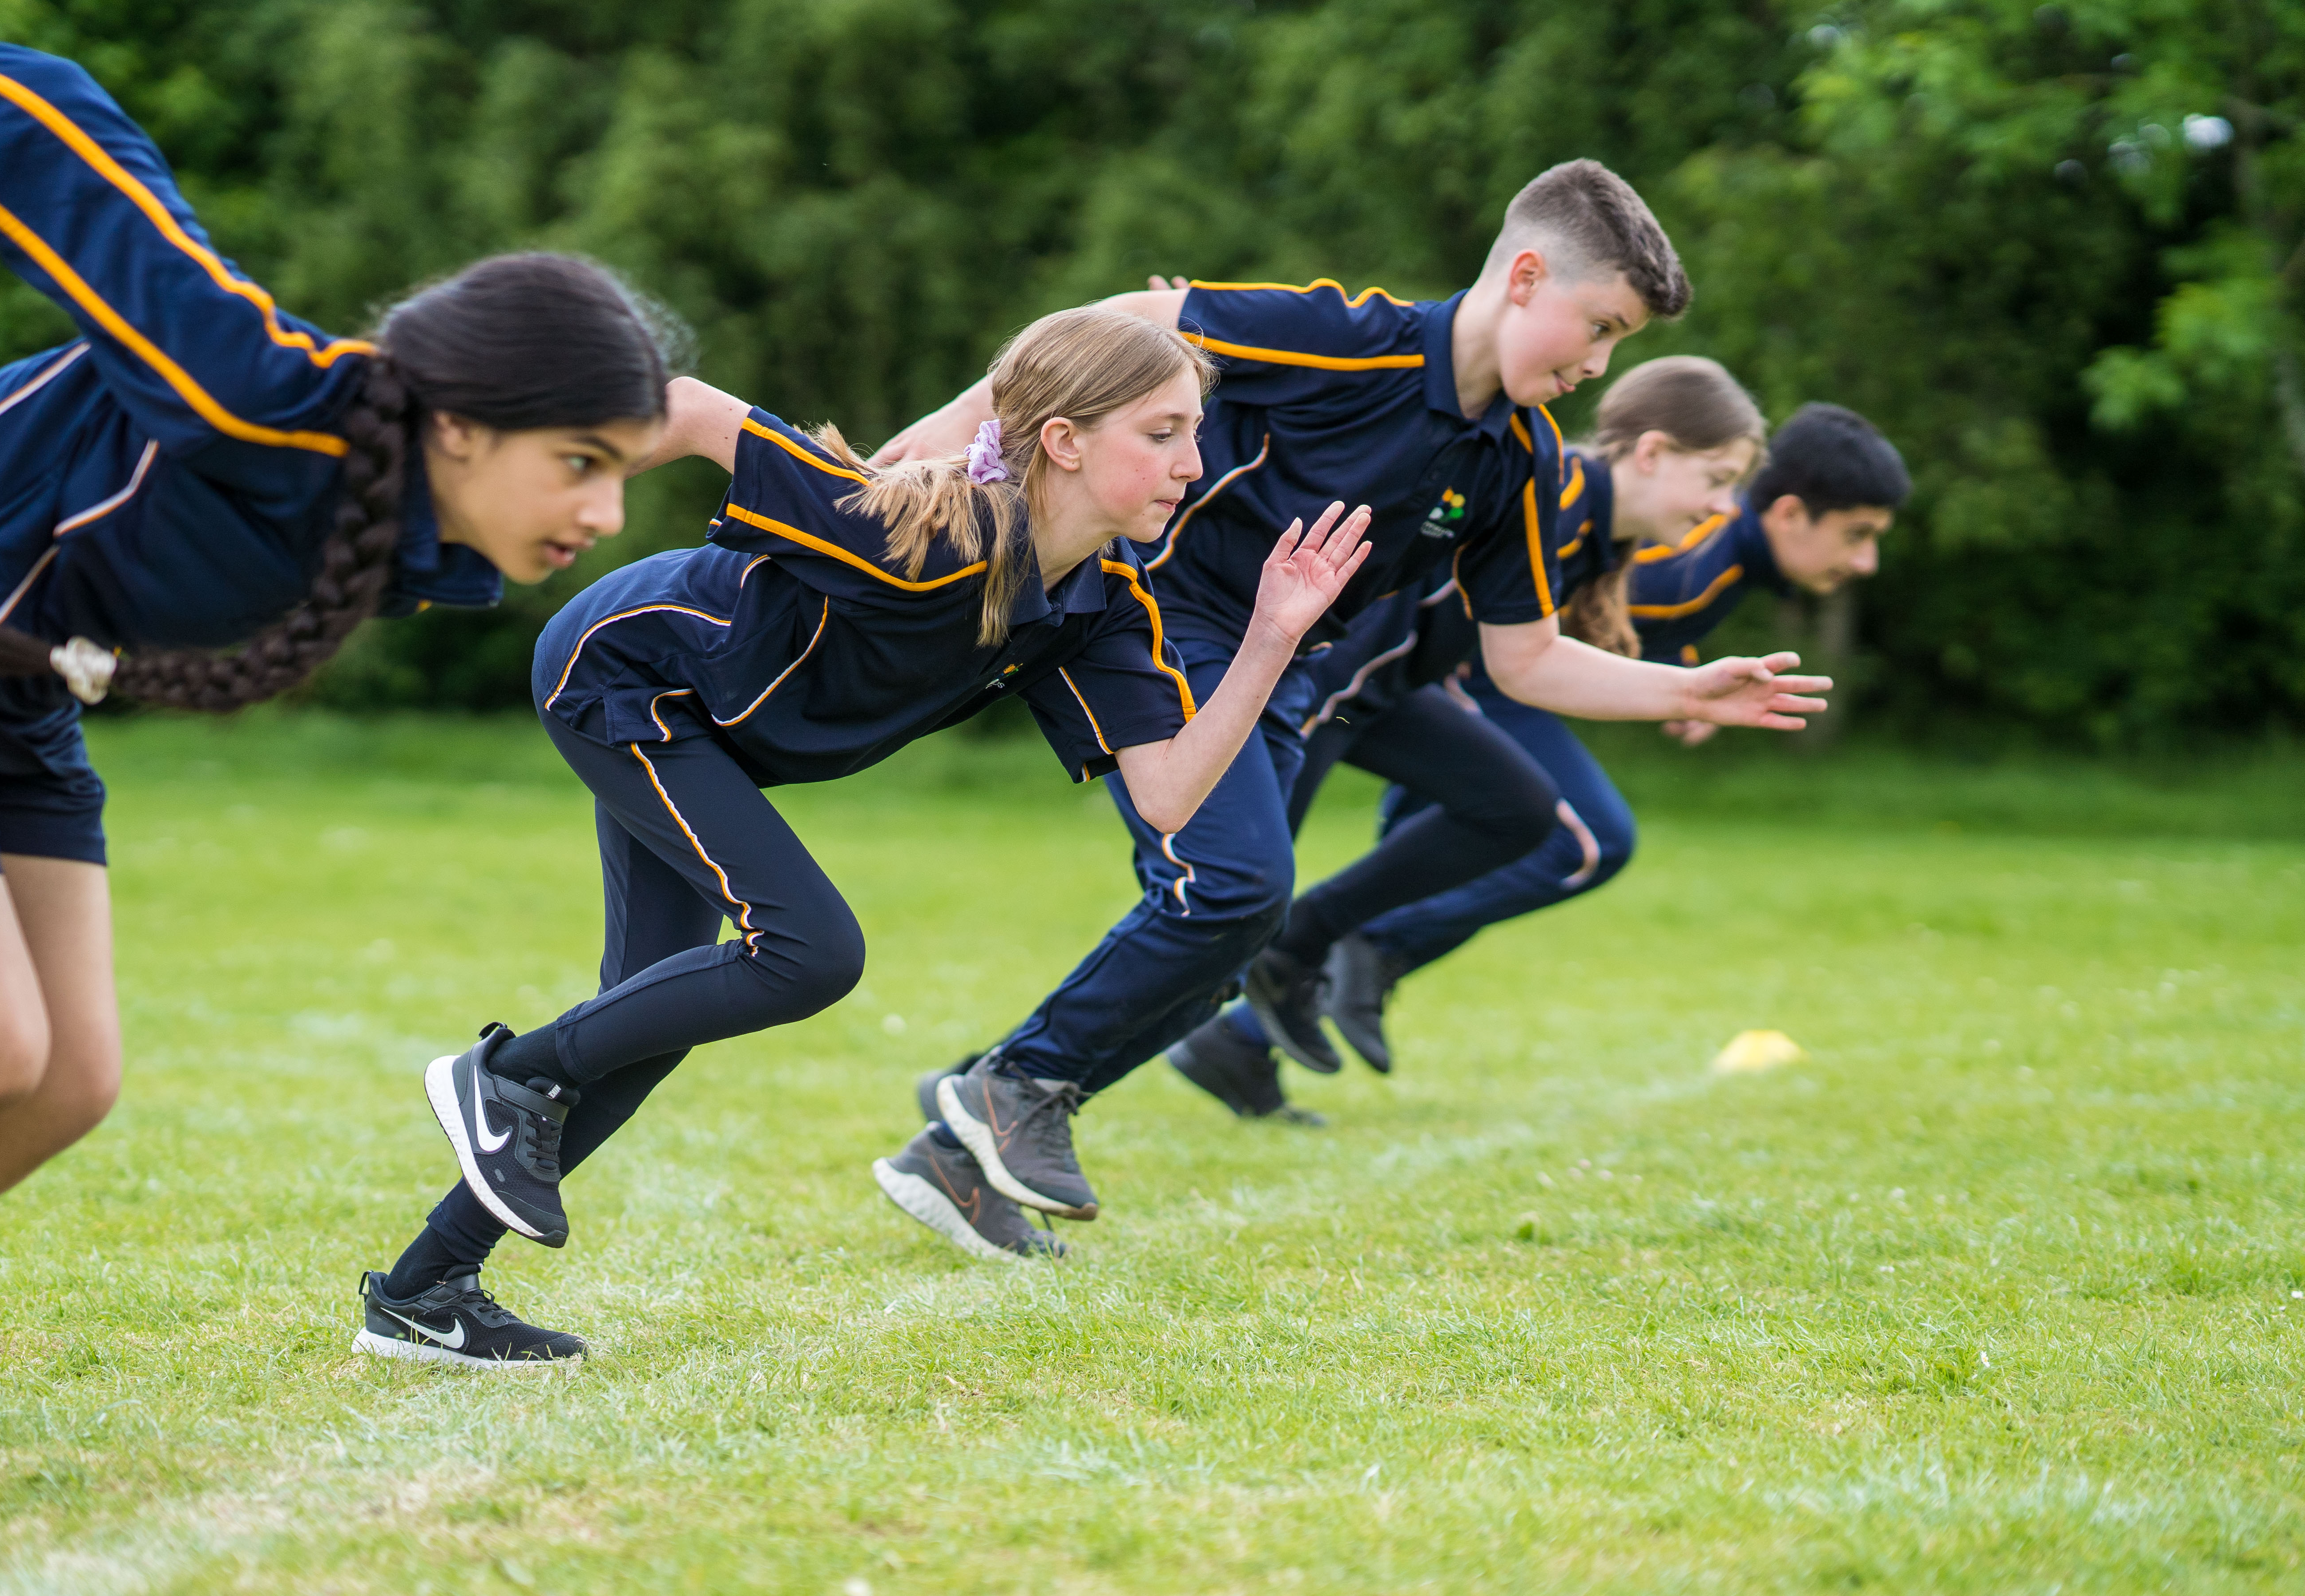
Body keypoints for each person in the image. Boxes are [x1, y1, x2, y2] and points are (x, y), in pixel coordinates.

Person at [0, 0, 672, 1509]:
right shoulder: (252, 393)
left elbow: (700, 415)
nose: (601, 516)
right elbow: (53, 128)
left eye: (620, 472)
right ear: (460, 423)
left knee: (61, 1084)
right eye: (580, 466)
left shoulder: (406, 506)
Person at [354, 306, 1373, 1356]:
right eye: (1162, 433)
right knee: (811, 952)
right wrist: (487, 501)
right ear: (1065, 441)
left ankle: (423, 1292)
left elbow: (1167, 797)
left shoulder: (1101, 605)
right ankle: (510, 1071)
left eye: (1195, 433)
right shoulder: (922, 531)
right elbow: (702, 412)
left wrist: (1270, 636)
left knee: (647, 1024)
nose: (1192, 463)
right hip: (628, 679)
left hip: (712, 737)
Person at [870, 163, 1830, 1252]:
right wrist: (955, 427)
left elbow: (1523, 659)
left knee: (1236, 929)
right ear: (1524, 277)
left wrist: (1684, 688)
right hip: (1158, 616)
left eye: (1619, 345)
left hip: (1283, 671)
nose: (1599, 365)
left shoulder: (1518, 455)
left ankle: (966, 1133)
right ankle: (1012, 1089)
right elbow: (1123, 320)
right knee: (1234, 886)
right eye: (1597, 326)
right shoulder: (1350, 337)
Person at [1192, 399, 1911, 1113]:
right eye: (1858, 534)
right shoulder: (1682, 549)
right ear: (1788, 513)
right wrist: (1675, 690)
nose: (1867, 560)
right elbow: (1514, 620)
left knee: (1494, 837)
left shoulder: (1710, 563)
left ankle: (1250, 1033)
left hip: (1426, 685)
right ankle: (1342, 952)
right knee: (1580, 838)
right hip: (1430, 677)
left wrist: (1682, 681)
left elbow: (1602, 615)